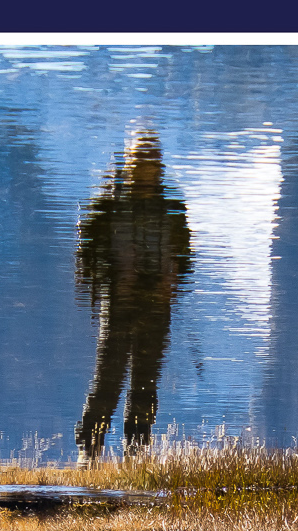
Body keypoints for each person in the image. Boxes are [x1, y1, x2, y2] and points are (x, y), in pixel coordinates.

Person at [74, 133, 193, 460]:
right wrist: (117, 274)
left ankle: (134, 456)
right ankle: (90, 453)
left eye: (151, 164)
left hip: (154, 305)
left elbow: (185, 261)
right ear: (129, 165)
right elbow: (86, 258)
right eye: (141, 164)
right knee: (110, 380)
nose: (146, 172)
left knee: (144, 383)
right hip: (121, 304)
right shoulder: (110, 205)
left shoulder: (171, 208)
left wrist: (169, 279)